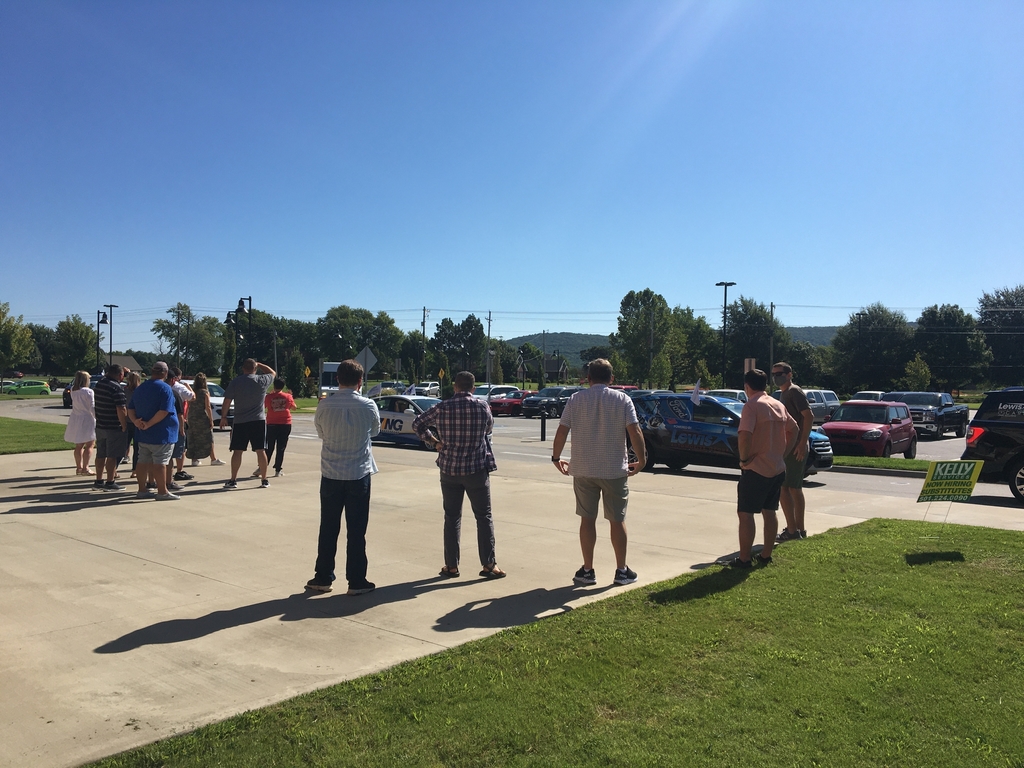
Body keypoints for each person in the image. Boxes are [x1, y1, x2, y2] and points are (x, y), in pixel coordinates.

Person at [551, 358, 646, 586]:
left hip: (583, 468)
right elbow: (635, 430)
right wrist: (641, 459)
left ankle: (587, 570)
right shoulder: (623, 399)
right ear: (611, 378)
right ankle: (621, 570)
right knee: (617, 519)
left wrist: (556, 457)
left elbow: (562, 430)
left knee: (587, 520)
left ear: (588, 378)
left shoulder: (575, 399)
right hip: (614, 469)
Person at [413, 370, 505, 579]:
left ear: (455, 387)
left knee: (452, 517)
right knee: (483, 517)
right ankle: (489, 564)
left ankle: (451, 565)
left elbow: (417, 423)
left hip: (449, 469)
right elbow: (488, 428)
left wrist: (434, 441)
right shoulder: (482, 406)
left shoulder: (442, 407)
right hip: (476, 470)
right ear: (473, 388)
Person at [305, 360, 380, 595]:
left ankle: (323, 577)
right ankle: (356, 580)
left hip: (330, 472)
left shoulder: (325, 406)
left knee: (328, 527)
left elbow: (320, 432)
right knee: (357, 530)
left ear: (337, 379)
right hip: (358, 473)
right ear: (360, 381)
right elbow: (375, 430)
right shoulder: (368, 405)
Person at [731, 368, 799, 568]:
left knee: (746, 513)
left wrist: (744, 459)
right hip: (777, 467)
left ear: (747, 386)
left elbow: (745, 435)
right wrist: (783, 453)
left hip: (756, 468)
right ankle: (765, 555)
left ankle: (744, 559)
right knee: (770, 511)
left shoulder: (751, 406)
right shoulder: (777, 404)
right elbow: (794, 430)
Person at [772, 362, 814, 543]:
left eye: (779, 373)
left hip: (795, 447)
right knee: (789, 488)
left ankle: (794, 530)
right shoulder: (783, 393)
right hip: (788, 446)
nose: (776, 377)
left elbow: (809, 415)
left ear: (789, 374)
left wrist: (802, 442)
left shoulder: (794, 391)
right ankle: (796, 529)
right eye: (773, 374)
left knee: (789, 488)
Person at [127, 362, 181, 501]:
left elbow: (130, 408)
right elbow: (164, 411)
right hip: (162, 433)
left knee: (142, 461)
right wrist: (149, 424)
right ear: (165, 373)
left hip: (143, 433)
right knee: (160, 462)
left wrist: (136, 422)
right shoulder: (165, 389)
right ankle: (162, 491)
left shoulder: (141, 388)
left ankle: (142, 489)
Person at [220, 358, 276, 489]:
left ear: (243, 368)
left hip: (240, 421)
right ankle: (264, 479)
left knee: (237, 451)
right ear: (255, 369)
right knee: (261, 450)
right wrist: (260, 364)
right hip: (258, 420)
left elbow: (227, 400)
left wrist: (223, 416)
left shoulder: (236, 382)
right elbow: (273, 372)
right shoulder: (262, 380)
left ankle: (233, 480)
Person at [91, 363, 129, 492]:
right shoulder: (116, 387)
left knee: (100, 454)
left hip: (101, 424)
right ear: (119, 374)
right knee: (112, 455)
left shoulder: (100, 384)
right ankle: (110, 481)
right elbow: (121, 408)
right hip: (114, 426)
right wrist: (124, 425)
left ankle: (98, 480)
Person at [185, 372, 224, 467]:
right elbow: (208, 407)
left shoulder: (192, 392)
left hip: (192, 417)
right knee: (208, 437)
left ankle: (194, 459)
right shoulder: (205, 393)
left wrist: (186, 417)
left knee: (193, 437)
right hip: (201, 417)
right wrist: (211, 419)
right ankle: (213, 458)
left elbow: (189, 405)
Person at [65, 370, 96, 475]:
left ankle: (79, 467)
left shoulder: (73, 390)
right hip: (87, 418)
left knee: (79, 445)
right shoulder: (88, 391)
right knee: (90, 444)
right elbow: (92, 407)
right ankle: (85, 468)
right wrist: (97, 417)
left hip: (76, 418)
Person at [263, 378, 296, 477]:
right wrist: (291, 396)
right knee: (281, 447)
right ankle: (278, 469)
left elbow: (264, 406)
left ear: (274, 385)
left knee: (269, 447)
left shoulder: (269, 397)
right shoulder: (288, 396)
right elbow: (294, 407)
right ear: (283, 386)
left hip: (272, 423)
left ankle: (262, 466)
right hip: (285, 423)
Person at [169, 367, 195, 482]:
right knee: (180, 448)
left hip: (163, 421)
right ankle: (179, 471)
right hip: (180, 420)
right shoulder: (179, 388)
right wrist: (190, 388)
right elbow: (192, 397)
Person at [124, 371, 142, 478]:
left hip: (126, 420)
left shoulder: (124, 391)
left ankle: (114, 469)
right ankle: (135, 470)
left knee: (123, 446)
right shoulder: (141, 391)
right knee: (137, 448)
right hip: (137, 420)